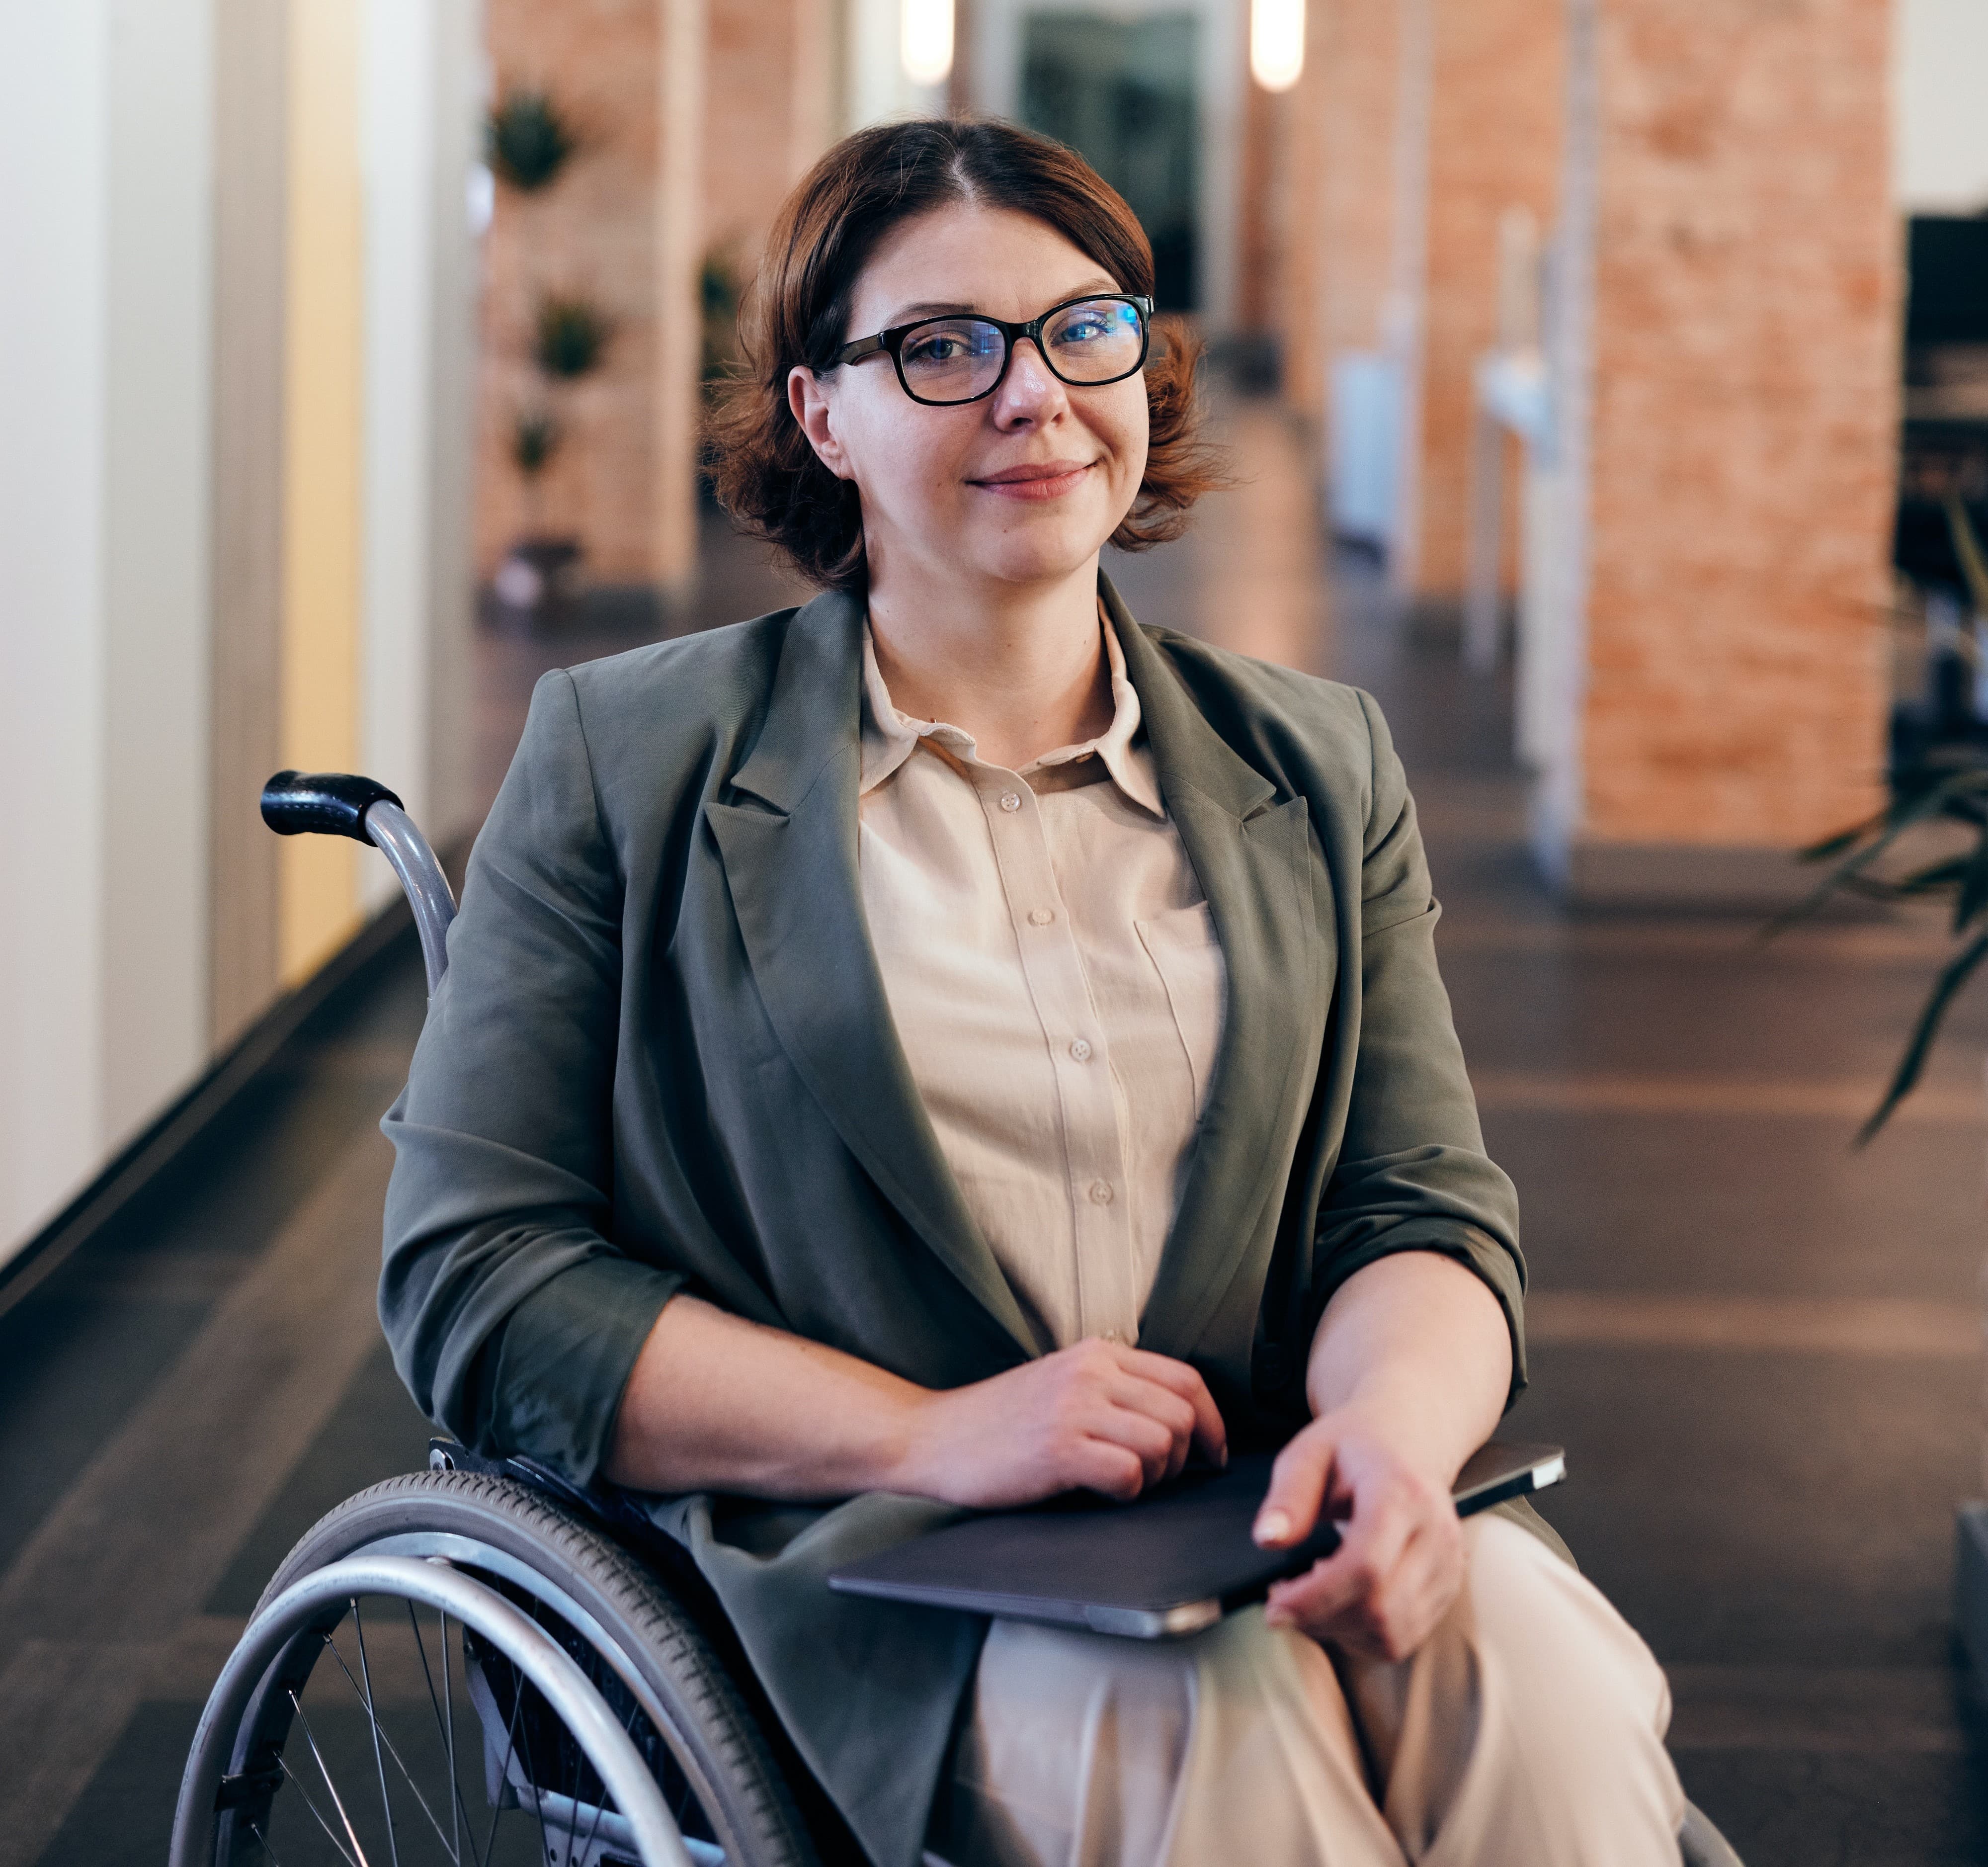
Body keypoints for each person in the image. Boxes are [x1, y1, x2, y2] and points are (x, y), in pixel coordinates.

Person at [381, 117, 1684, 1867]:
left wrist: (1389, 1428)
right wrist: (940, 1432)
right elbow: (479, 1275)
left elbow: (1417, 1203)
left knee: (1547, 1682)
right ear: (820, 412)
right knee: (1221, 1732)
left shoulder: (1317, 759)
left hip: (1254, 1507)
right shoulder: (632, 759)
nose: (1035, 393)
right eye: (942, 346)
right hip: (876, 1561)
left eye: (1086, 327)